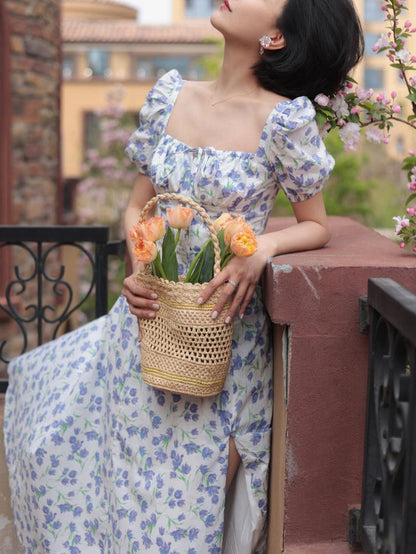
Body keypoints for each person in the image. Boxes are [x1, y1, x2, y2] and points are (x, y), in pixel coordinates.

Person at [4, 0, 363, 552]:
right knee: (101, 485)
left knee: (182, 521)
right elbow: (135, 209)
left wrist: (261, 247)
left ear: (275, 38)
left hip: (218, 346)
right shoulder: (171, 95)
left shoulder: (283, 122)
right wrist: (140, 265)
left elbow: (315, 226)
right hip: (142, 333)